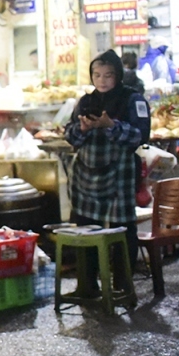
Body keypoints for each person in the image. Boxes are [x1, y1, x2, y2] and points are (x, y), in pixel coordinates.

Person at [64, 50, 151, 294]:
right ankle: (87, 284)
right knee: (86, 230)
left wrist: (111, 126)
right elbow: (69, 136)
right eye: (97, 75)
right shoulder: (84, 101)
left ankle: (122, 285)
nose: (102, 80)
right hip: (86, 175)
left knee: (122, 230)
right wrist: (81, 129)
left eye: (108, 75)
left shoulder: (133, 100)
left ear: (119, 76)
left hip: (119, 175)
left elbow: (140, 136)